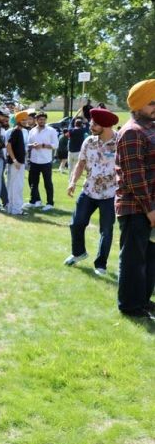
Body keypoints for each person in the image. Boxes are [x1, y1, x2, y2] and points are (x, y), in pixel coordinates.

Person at [115, 79, 155, 319]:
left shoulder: (149, 128)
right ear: (138, 106)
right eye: (151, 103)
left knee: (149, 259)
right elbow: (134, 177)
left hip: (149, 208)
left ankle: (142, 301)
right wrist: (150, 210)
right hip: (136, 208)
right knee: (133, 260)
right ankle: (130, 306)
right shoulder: (131, 131)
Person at [64, 108, 119, 276]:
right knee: (76, 223)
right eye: (92, 123)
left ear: (106, 125)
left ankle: (101, 264)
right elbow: (80, 164)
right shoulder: (88, 141)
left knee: (106, 230)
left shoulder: (119, 141)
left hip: (110, 193)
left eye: (95, 124)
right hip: (88, 190)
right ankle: (78, 252)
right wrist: (72, 182)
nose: (91, 126)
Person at [25, 112, 59, 211]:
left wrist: (43, 145)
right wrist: (33, 145)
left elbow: (55, 145)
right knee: (32, 182)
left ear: (46, 120)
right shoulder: (32, 131)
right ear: (36, 120)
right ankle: (35, 201)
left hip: (46, 161)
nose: (42, 121)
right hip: (34, 160)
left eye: (44, 119)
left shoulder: (51, 130)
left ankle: (50, 203)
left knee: (47, 183)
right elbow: (28, 144)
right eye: (40, 119)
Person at [5, 111, 30, 215]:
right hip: (17, 163)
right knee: (17, 186)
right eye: (23, 120)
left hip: (17, 163)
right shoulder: (17, 131)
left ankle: (11, 208)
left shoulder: (18, 131)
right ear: (18, 121)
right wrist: (15, 160)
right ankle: (17, 210)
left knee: (12, 186)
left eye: (26, 119)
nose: (25, 121)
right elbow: (8, 145)